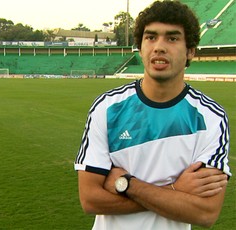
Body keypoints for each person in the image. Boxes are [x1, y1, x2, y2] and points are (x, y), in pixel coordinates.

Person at [74, 1, 232, 229]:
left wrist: (127, 184)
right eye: (151, 37)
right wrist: (176, 191)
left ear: (190, 51)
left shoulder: (211, 118)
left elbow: (205, 213)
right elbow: (90, 199)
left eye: (172, 38)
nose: (159, 46)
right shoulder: (107, 107)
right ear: (140, 48)